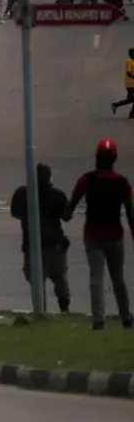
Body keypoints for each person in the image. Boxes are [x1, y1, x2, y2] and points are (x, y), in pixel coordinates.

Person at [66, 139, 134, 330]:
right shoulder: (122, 183)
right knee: (118, 278)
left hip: (93, 235)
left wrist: (65, 214)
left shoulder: (87, 180)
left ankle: (98, 318)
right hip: (115, 235)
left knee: (96, 277)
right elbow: (130, 213)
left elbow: (71, 204)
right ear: (114, 158)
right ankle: (126, 316)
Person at [10, 163, 72, 313]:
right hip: (54, 243)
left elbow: (15, 212)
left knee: (37, 281)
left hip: (32, 244)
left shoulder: (23, 194)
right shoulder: (57, 195)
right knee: (60, 277)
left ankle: (40, 309)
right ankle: (64, 307)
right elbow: (66, 216)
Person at [110, 47, 134, 118]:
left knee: (131, 99)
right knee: (131, 99)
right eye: (133, 53)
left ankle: (131, 115)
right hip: (130, 84)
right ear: (130, 54)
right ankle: (116, 105)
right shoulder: (129, 61)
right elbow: (129, 73)